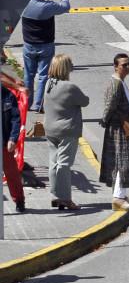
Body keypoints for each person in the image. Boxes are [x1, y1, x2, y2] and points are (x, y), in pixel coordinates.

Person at [44, 54, 88, 211]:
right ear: (64, 68)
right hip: (66, 131)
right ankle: (66, 199)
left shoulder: (49, 83)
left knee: (53, 162)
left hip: (50, 129)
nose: (72, 66)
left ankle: (55, 195)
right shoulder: (69, 87)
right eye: (70, 64)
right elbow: (85, 101)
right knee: (64, 164)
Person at [20, 0, 70, 112]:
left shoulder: (23, 3)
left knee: (28, 75)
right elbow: (66, 6)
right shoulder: (48, 6)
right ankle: (39, 105)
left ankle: (26, 103)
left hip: (29, 45)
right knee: (43, 76)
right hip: (45, 45)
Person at [100, 53, 129, 211]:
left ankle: (119, 195)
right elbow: (110, 105)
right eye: (124, 65)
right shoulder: (115, 83)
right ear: (116, 66)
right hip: (118, 127)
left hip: (122, 126)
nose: (128, 67)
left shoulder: (120, 82)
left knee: (122, 162)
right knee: (123, 162)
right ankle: (119, 198)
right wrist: (105, 120)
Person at [1, 55, 25, 213]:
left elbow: (16, 119)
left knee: (11, 173)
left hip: (4, 143)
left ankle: (19, 201)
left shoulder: (7, 95)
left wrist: (12, 139)